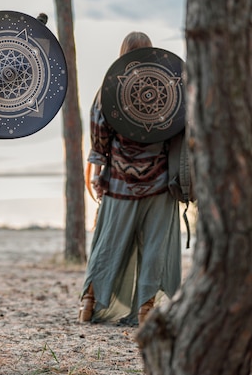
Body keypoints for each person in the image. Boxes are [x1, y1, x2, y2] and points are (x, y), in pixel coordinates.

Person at [78, 32, 182, 327]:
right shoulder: (167, 84)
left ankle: (89, 303)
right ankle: (146, 308)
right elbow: (181, 124)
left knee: (108, 243)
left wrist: (98, 170)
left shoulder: (111, 86)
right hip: (161, 180)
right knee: (154, 245)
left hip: (120, 180)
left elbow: (99, 127)